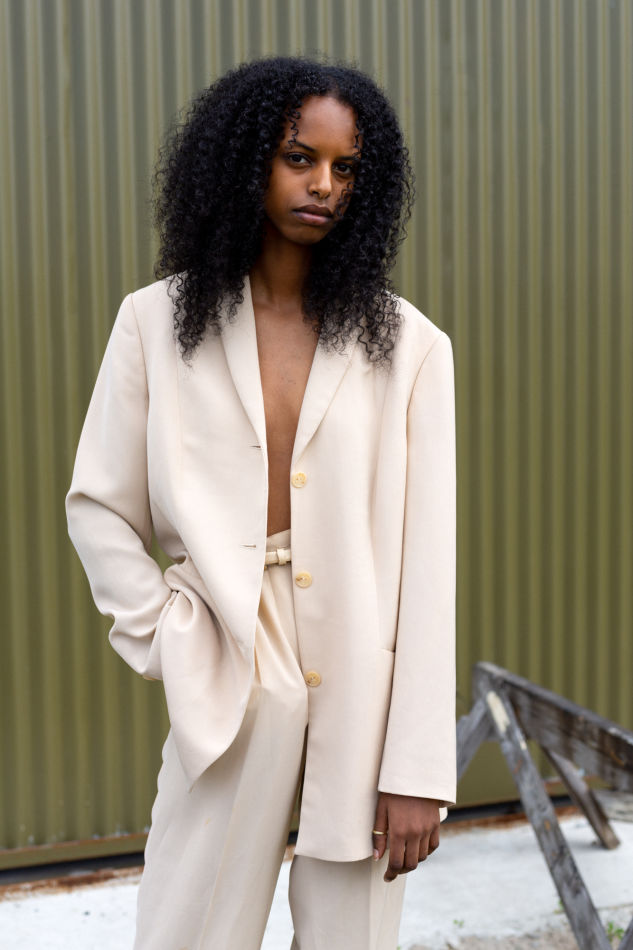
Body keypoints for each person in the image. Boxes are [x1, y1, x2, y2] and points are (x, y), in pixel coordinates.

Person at [66, 56, 456, 950]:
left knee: (350, 937)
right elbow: (99, 505)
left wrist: (418, 768)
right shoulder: (154, 324)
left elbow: (427, 568)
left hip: (364, 678)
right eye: (298, 157)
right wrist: (167, 629)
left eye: (346, 168)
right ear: (245, 161)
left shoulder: (410, 348)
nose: (323, 186)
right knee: (189, 927)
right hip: (225, 655)